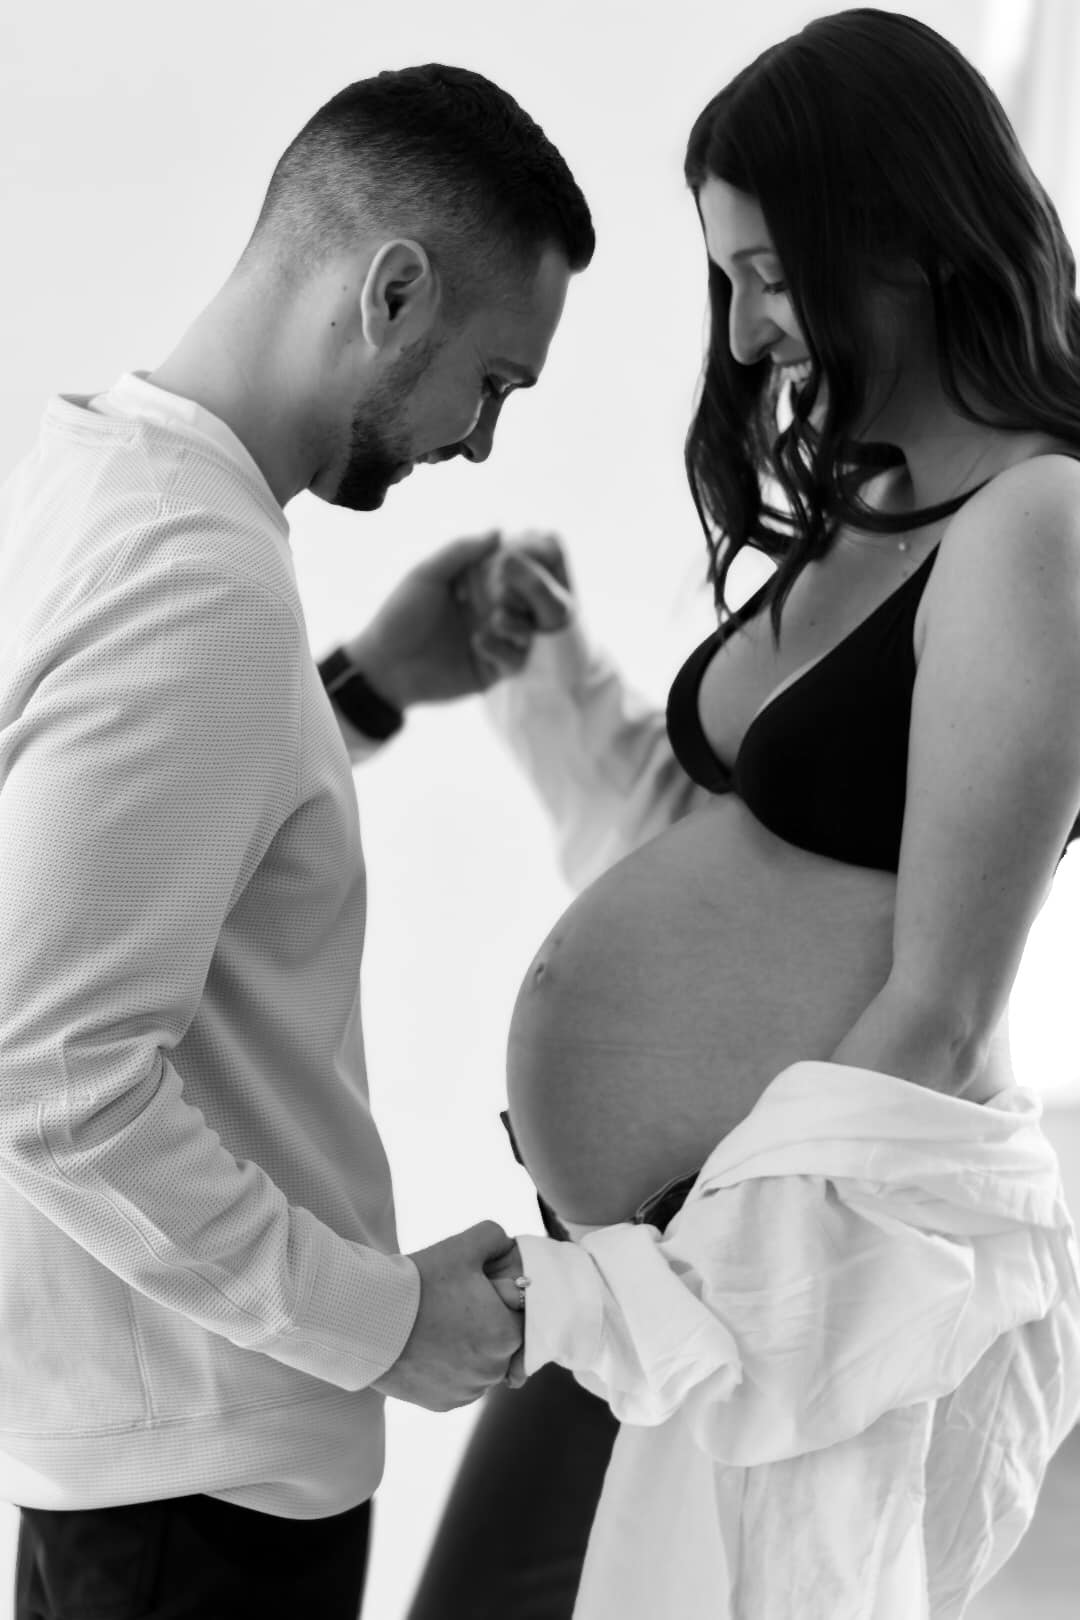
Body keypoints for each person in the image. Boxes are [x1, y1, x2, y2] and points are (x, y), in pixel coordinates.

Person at [377, 10, 1080, 1617]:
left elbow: (942, 1005)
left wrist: (653, 1293)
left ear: (905, 228)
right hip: (650, 1271)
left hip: (775, 1301)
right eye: (731, 281)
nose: (752, 336)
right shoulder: (873, 493)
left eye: (773, 274)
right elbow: (716, 854)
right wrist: (549, 675)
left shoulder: (1034, 520)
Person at [0, 64, 593, 1620]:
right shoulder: (194, 578)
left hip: (171, 1471)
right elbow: (50, 1070)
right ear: (394, 290)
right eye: (495, 382)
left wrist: (365, 689)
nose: (477, 444)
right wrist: (384, 1322)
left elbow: (146, 868)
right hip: (193, 1505)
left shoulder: (109, 488)